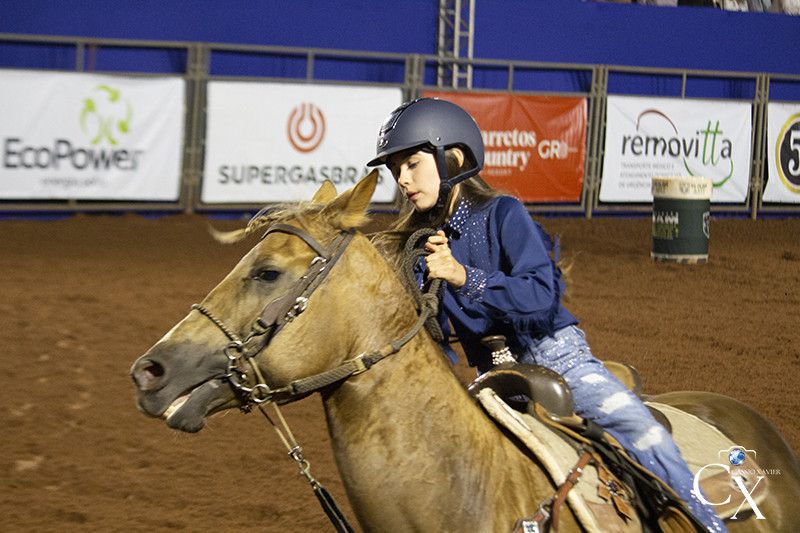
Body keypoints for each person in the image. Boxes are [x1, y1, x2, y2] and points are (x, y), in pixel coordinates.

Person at [367, 97, 726, 533]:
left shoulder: (504, 213)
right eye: (396, 170)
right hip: (493, 381)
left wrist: (463, 276)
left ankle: (708, 525)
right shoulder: (421, 244)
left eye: (412, 164)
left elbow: (541, 295)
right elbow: (433, 338)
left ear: (453, 157)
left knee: (644, 432)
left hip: (558, 362)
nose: (403, 180)